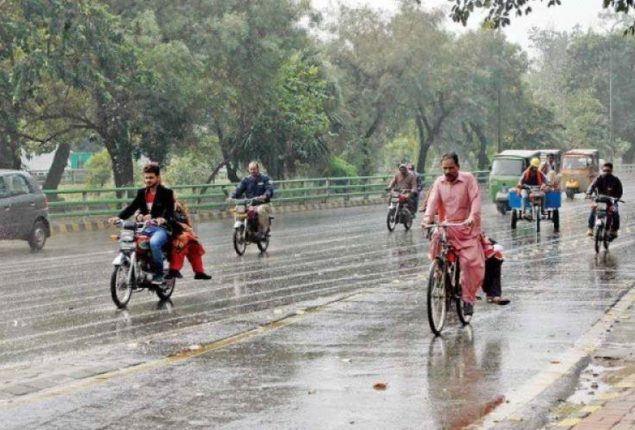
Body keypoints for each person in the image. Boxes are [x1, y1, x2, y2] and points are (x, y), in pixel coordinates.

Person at [422, 152, 484, 316]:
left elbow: (476, 200)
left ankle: (468, 299)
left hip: (465, 228)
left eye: (451, 168)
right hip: (446, 227)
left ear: (458, 167)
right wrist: (428, 219)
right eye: (445, 169)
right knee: (435, 241)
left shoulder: (468, 179)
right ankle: (440, 274)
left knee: (470, 263)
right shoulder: (439, 182)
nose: (447, 172)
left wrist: (472, 217)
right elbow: (433, 201)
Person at [109, 163, 175, 284]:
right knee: (128, 242)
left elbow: (170, 213)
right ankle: (133, 268)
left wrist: (161, 219)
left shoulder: (167, 193)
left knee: (154, 243)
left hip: (161, 229)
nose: (148, 180)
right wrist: (118, 217)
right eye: (146, 178)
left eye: (151, 177)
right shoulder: (141, 193)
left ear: (158, 178)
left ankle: (159, 274)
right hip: (144, 228)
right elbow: (131, 208)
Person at [168, 200, 212, 280]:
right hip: (172, 231)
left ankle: (199, 272)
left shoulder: (178, 205)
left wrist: (190, 230)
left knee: (194, 244)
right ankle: (174, 269)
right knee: (183, 241)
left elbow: (186, 222)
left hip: (182, 231)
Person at [231, 161, 274, 239]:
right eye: (251, 169)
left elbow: (269, 189)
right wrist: (232, 196)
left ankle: (262, 230)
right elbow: (239, 189)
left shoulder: (265, 178)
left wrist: (265, 195)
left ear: (258, 169)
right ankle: (242, 226)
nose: (252, 171)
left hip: (263, 203)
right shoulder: (246, 180)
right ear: (248, 170)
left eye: (254, 169)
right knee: (238, 208)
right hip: (249, 203)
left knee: (260, 210)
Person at [586, 162, 623, 238]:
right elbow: (592, 186)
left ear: (611, 170)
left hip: (611, 201)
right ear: (602, 170)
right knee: (593, 210)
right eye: (604, 170)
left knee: (615, 213)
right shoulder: (599, 178)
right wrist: (589, 193)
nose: (606, 172)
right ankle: (590, 228)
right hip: (600, 200)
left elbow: (619, 192)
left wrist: (616, 198)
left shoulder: (616, 180)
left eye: (608, 170)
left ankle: (614, 230)